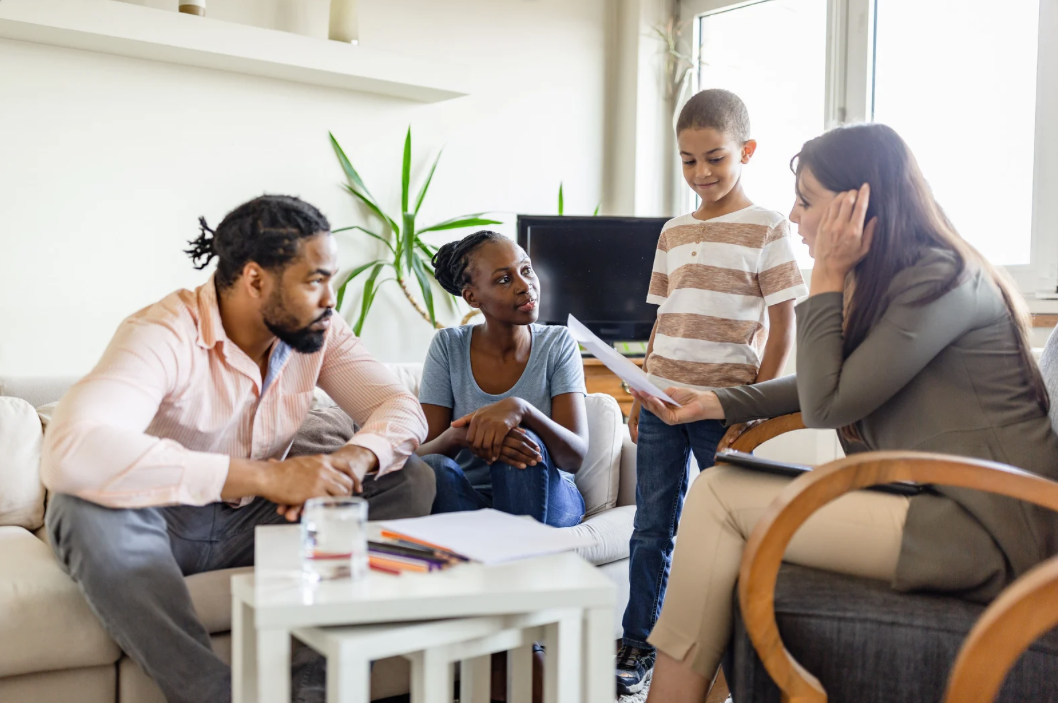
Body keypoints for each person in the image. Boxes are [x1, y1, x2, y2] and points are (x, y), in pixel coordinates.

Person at [632, 123, 1058, 703]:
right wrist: (716, 401)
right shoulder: (904, 279)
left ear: (859, 201)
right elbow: (828, 382)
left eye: (807, 200)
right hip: (940, 505)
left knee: (718, 497)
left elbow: (832, 402)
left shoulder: (943, 279)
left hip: (994, 527)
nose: (795, 214)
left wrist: (826, 275)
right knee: (720, 493)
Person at [40, 195, 434, 703]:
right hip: (161, 521)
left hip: (255, 524)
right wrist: (267, 477)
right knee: (78, 509)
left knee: (411, 477)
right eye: (315, 280)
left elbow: (399, 406)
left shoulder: (317, 330)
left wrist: (347, 461)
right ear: (255, 280)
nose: (331, 298)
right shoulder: (164, 332)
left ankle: (312, 679)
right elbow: (71, 448)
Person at [617, 89, 807, 694]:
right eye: (688, 161)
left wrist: (754, 401)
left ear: (746, 151)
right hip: (662, 404)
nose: (702, 174)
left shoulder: (767, 225)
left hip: (723, 407)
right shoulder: (673, 231)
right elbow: (664, 319)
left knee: (730, 527)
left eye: (716, 159)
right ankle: (639, 639)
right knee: (650, 528)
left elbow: (783, 324)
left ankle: (733, 651)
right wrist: (639, 394)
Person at [416, 230, 589, 528]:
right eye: (504, 279)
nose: (526, 286)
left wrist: (522, 410)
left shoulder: (558, 343)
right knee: (433, 467)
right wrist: (460, 436)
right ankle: (491, 554)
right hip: (471, 499)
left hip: (551, 496)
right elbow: (420, 455)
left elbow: (574, 458)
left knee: (522, 443)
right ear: (473, 297)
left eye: (526, 270)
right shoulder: (448, 346)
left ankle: (513, 558)